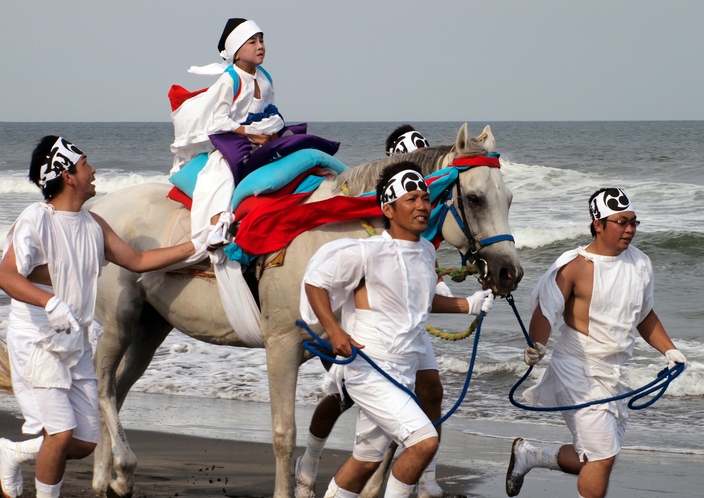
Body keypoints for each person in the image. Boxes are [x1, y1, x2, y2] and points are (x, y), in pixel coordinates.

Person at [0, 136, 217, 498]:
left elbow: (138, 261)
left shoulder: (93, 223)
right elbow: (6, 275)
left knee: (84, 441)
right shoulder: (36, 220)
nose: (94, 169)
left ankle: (13, 451)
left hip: (76, 343)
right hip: (37, 342)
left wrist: (200, 243)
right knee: (61, 434)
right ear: (67, 175)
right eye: (85, 164)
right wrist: (48, 303)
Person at [299, 162, 494, 498]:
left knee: (365, 462)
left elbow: (422, 300)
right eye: (411, 199)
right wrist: (334, 331)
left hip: (402, 372)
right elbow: (316, 283)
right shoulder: (366, 252)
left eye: (425, 198)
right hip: (368, 370)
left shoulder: (426, 251)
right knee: (424, 442)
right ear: (388, 209)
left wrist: (469, 305)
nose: (421, 205)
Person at [505, 188, 687, 498]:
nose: (629, 229)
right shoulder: (576, 265)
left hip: (615, 374)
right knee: (602, 457)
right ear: (597, 224)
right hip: (577, 369)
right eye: (620, 222)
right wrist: (537, 343)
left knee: (596, 459)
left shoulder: (640, 263)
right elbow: (546, 310)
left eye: (633, 222)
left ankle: (530, 455)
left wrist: (669, 349)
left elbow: (644, 315)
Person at [169, 17, 285, 247]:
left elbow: (271, 110)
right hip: (233, 141)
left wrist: (273, 130)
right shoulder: (229, 80)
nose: (260, 45)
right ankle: (216, 225)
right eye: (252, 41)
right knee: (221, 174)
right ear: (236, 52)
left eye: (261, 40)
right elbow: (218, 122)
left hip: (262, 140)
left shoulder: (265, 77)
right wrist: (250, 133)